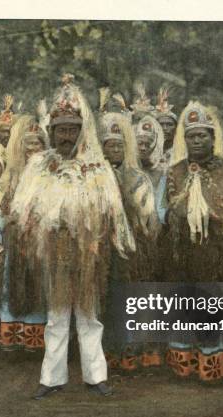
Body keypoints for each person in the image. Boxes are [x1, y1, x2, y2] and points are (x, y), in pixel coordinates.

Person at [5, 74, 135, 399]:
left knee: (89, 315)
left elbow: (113, 212)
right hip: (55, 251)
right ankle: (51, 378)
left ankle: (96, 377)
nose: (66, 136)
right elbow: (23, 211)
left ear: (81, 131)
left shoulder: (98, 167)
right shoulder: (39, 166)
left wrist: (107, 237)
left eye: (71, 130)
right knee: (57, 316)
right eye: (60, 130)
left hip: (90, 252)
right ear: (51, 132)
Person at [159, 101, 223, 381]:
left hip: (221, 252)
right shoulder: (174, 172)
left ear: (213, 138)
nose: (197, 140)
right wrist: (176, 222)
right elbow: (160, 209)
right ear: (184, 139)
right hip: (182, 253)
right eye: (192, 135)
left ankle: (214, 364)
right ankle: (185, 363)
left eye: (203, 135)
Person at [98, 108, 162, 372]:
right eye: (109, 145)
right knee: (109, 300)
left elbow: (150, 218)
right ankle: (111, 352)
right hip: (103, 247)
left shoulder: (138, 178)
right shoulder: (96, 176)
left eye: (119, 145)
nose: (114, 150)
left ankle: (135, 352)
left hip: (134, 249)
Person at [0, 114, 48, 352]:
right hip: (13, 240)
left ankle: (34, 337)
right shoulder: (10, 176)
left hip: (41, 241)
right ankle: (10, 336)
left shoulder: (50, 174)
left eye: (38, 143)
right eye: (28, 143)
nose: (32, 148)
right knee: (10, 285)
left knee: (38, 286)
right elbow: (1, 210)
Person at [153, 87, 178, 162]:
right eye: (161, 124)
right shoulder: (148, 151)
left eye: (169, 124)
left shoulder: (182, 151)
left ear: (176, 127)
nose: (165, 128)